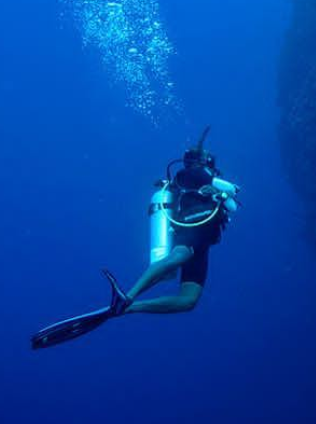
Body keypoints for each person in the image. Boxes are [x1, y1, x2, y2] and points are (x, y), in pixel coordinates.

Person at [31, 127, 239, 349]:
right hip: (192, 229)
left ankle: (128, 307)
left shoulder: (198, 179)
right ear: (202, 161)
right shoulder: (193, 174)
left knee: (188, 300)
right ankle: (128, 296)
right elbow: (232, 189)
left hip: (203, 242)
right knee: (180, 255)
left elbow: (228, 201)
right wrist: (221, 186)